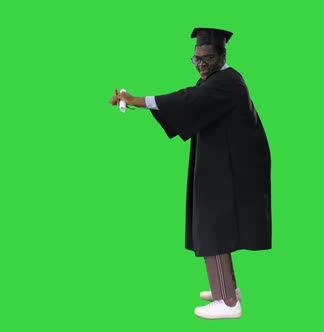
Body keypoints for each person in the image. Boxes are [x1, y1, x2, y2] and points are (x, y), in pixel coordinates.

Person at [109, 27, 271, 319]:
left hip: (230, 172)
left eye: (207, 57)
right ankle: (226, 289)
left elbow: (186, 100)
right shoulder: (220, 80)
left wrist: (137, 100)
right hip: (224, 165)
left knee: (214, 228)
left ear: (223, 55)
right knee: (213, 225)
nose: (201, 63)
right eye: (196, 58)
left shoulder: (227, 82)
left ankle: (228, 304)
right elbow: (193, 98)